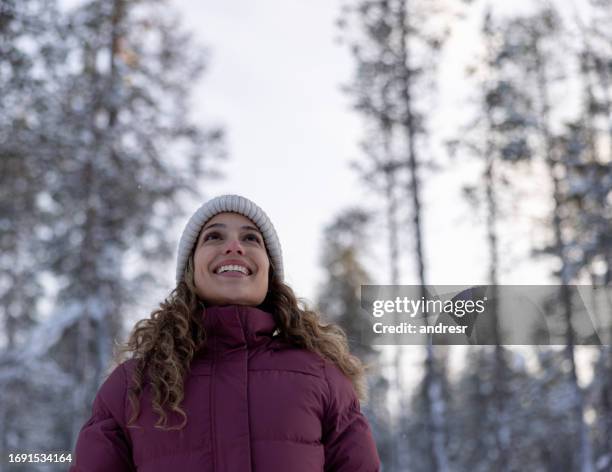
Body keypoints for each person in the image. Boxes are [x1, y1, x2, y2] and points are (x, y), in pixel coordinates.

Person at [70, 194, 381, 471]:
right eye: (214, 237)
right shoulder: (130, 387)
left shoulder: (323, 379)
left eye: (251, 239)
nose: (234, 246)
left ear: (269, 272)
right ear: (191, 270)